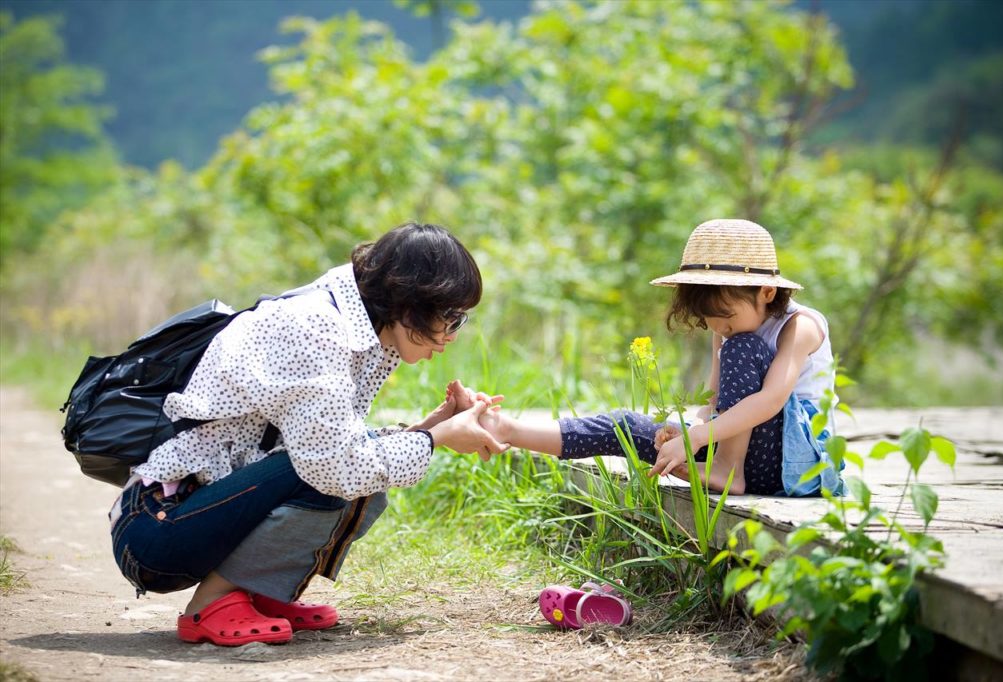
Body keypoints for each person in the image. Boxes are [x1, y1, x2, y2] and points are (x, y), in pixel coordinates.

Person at [108, 222, 509, 647]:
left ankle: (258, 592)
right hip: (157, 530)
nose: (452, 334)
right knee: (338, 470)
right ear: (408, 302)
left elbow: (342, 449)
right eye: (448, 316)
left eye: (460, 318)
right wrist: (440, 437)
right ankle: (210, 604)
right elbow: (333, 467)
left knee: (362, 467)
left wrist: (435, 424)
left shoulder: (360, 329)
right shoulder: (316, 327)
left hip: (198, 511)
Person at [479, 218, 844, 498]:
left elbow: (770, 400)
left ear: (766, 291)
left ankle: (726, 468)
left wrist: (701, 437)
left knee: (743, 346)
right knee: (624, 426)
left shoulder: (800, 327)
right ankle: (507, 430)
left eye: (726, 317)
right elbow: (716, 403)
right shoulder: (728, 330)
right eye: (709, 320)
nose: (719, 328)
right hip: (743, 449)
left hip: (791, 463)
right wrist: (684, 431)